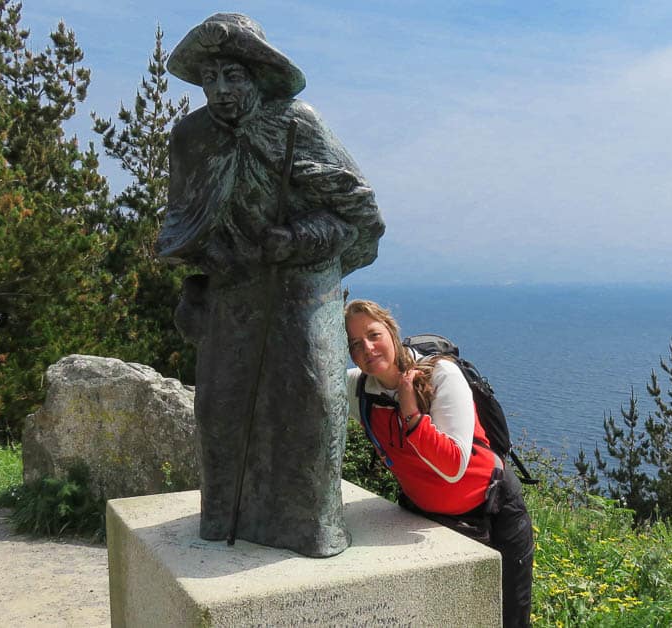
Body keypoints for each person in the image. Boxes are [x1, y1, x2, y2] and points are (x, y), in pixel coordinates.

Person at [158, 13, 384, 557]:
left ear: (258, 75)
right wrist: (202, 268)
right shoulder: (190, 138)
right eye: (209, 78)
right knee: (222, 407)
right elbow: (180, 222)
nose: (219, 90)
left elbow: (355, 218)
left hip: (303, 285)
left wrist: (298, 238)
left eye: (232, 76)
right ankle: (227, 514)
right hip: (232, 287)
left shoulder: (298, 125)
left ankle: (312, 526)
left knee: (312, 401)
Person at [344, 299, 533, 627]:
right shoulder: (358, 387)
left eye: (374, 335)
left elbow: (453, 466)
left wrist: (412, 415)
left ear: (392, 332)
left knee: (508, 620)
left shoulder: (440, 374)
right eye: (356, 343)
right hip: (423, 516)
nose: (368, 348)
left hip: (493, 513)